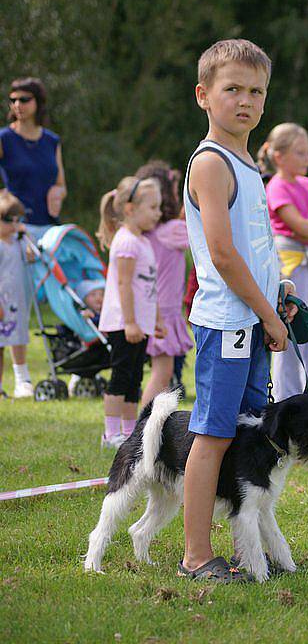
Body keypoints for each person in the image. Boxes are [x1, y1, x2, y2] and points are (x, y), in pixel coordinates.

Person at [180, 38, 296, 582]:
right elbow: (223, 255)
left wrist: (279, 291)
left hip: (253, 318)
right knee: (214, 436)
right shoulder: (210, 162)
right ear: (204, 95)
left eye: (256, 92)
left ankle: (250, 548)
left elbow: (254, 246)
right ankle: (196, 557)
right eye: (233, 89)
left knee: (247, 432)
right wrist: (266, 316)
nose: (245, 101)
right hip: (227, 324)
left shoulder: (248, 163)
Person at [0, 77, 67, 397]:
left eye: (24, 99)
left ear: (37, 103)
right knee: (18, 302)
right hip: (14, 230)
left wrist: (58, 192)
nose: (17, 105)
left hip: (47, 228)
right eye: (12, 99)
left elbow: (60, 181)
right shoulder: (4, 138)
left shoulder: (51, 140)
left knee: (62, 293)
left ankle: (73, 361)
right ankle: (22, 376)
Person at [259, 122, 308, 399]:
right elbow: (304, 227)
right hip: (292, 266)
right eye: (300, 153)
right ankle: (286, 396)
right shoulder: (276, 187)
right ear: (279, 156)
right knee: (291, 330)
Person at [96, 177, 165, 448]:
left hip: (140, 324)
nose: (158, 213)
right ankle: (110, 434)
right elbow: (123, 284)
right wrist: (131, 322)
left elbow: (148, 286)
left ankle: (128, 431)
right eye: (153, 207)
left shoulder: (143, 241)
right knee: (121, 375)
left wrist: (155, 319)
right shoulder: (126, 243)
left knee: (135, 377)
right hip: (124, 323)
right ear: (130, 209)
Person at [133, 161, 192, 406]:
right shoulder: (172, 230)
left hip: (151, 307)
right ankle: (142, 428)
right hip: (164, 312)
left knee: (162, 375)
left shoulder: (147, 231)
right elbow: (203, 235)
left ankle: (154, 425)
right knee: (162, 374)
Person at [0, 191, 32, 398]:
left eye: (17, 220)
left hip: (17, 301)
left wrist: (25, 233)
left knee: (18, 338)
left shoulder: (19, 242)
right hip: (2, 302)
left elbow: (32, 255)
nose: (13, 225)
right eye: (7, 220)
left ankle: (22, 380)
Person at [67, 280, 106, 397]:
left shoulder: (105, 312)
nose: (98, 298)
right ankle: (76, 379)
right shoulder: (86, 313)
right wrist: (86, 316)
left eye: (101, 295)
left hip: (101, 343)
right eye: (93, 295)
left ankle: (93, 377)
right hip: (88, 342)